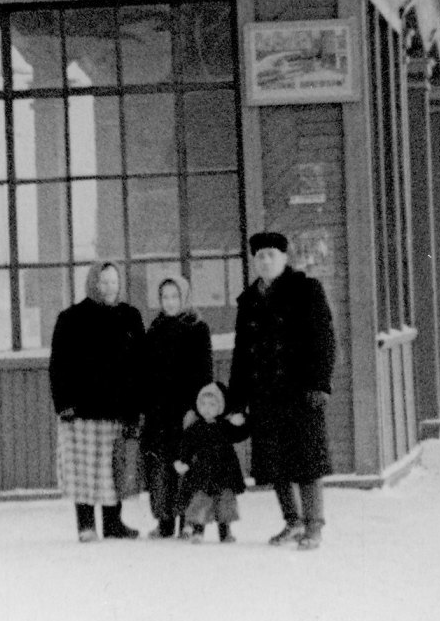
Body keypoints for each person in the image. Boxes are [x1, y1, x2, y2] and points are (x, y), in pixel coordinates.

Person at [227, 230, 336, 550]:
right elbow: (241, 355)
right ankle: (292, 522)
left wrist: (320, 384)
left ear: (285, 258)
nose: (264, 261)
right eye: (259, 256)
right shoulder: (249, 301)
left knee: (307, 462)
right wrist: (236, 401)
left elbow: (324, 341)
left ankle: (313, 526)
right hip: (264, 396)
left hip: (300, 394)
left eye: (271, 255)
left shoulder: (306, 290)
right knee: (275, 464)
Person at [49, 260, 146, 542]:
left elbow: (140, 366)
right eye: (103, 282)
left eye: (114, 282)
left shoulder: (130, 316)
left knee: (113, 469)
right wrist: (63, 403)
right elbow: (59, 365)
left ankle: (114, 524)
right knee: (84, 470)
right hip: (80, 410)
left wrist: (136, 408)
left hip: (118, 409)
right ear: (93, 283)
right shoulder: (71, 318)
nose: (109, 288)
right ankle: (86, 525)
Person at [141, 272, 216, 538]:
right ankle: (164, 521)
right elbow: (147, 372)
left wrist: (197, 409)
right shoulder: (155, 328)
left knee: (186, 466)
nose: (170, 302)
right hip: (159, 413)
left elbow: (205, 374)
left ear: (184, 296)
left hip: (186, 410)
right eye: (165, 297)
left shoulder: (197, 327)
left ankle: (187, 520)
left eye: (175, 296)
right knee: (160, 469)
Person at [173, 381, 247, 543]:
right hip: (202, 472)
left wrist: (240, 421)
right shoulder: (195, 428)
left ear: (220, 407)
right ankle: (198, 530)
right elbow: (186, 445)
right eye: (203, 404)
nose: (207, 408)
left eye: (212, 404)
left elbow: (240, 434)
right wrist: (183, 460)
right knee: (201, 500)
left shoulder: (225, 426)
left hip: (225, 470)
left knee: (225, 501)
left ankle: (225, 531)